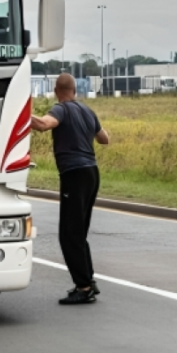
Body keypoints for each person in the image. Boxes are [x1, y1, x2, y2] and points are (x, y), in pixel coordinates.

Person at [30, 73, 111, 305]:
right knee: (79, 232)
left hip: (74, 174)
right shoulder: (87, 111)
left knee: (69, 235)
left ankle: (83, 287)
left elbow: (44, 124)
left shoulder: (61, 109)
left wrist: (19, 114)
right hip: (92, 173)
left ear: (57, 91)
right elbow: (104, 139)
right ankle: (88, 280)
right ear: (75, 90)